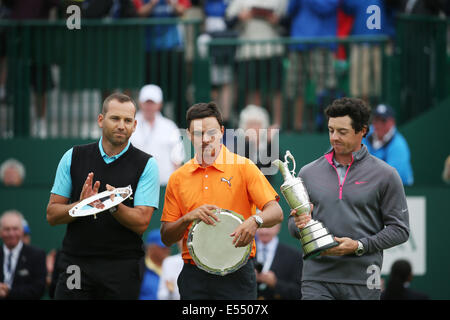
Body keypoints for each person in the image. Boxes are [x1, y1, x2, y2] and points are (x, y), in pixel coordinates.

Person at [288, 97, 410, 300]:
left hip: (363, 279)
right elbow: (293, 226)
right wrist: (300, 224)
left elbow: (400, 230)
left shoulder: (386, 175)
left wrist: (360, 246)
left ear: (363, 131)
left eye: (342, 132)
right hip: (316, 279)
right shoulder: (307, 173)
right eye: (331, 130)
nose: (334, 137)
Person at [160, 101, 283, 299]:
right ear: (189, 136)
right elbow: (166, 237)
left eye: (211, 132)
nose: (206, 139)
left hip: (238, 274)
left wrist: (255, 220)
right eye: (198, 133)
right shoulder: (178, 178)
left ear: (222, 132)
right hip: (194, 275)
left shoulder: (244, 167)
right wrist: (186, 218)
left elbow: (276, 212)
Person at [46, 92, 160, 300]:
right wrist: (82, 205)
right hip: (76, 264)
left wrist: (111, 204)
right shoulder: (73, 156)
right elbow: (52, 214)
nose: (121, 125)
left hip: (122, 267)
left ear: (135, 125)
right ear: (101, 120)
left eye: (127, 121)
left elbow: (142, 221)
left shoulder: (146, 164)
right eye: (115, 118)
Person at [226, 0, 288, 128]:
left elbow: (288, 21)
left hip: (273, 50)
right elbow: (229, 22)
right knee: (253, 91)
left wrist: (277, 20)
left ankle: (277, 125)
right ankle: (254, 126)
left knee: (276, 89)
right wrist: (240, 17)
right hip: (248, 52)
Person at [286, 0, 338, 131]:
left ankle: (326, 126)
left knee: (325, 87)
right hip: (299, 41)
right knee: (295, 87)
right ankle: (296, 127)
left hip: (322, 43)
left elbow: (326, 7)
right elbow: (290, 10)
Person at [130, 84, 185, 186]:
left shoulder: (170, 126)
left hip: (164, 186)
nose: (149, 107)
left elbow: (177, 159)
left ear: (160, 104)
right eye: (146, 103)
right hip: (134, 186)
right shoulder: (129, 124)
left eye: (152, 103)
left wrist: (176, 185)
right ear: (140, 103)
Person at [363, 103, 414, 186]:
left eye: (383, 121)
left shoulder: (399, 145)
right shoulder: (365, 134)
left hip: (402, 190)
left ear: (392, 122)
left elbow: (390, 177)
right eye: (376, 120)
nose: (378, 124)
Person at [0, 210, 46, 300]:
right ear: (1, 232)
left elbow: (38, 289)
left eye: (15, 229)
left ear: (22, 231)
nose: (11, 233)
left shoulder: (36, 255)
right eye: (7, 229)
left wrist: (8, 291)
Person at [255, 223, 302, 300]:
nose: (264, 231)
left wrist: (275, 283)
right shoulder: (244, 254)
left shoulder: (294, 256)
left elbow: (299, 292)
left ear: (278, 228)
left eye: (269, 227)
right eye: (260, 227)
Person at [139, 229, 171, 300]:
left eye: (168, 246)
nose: (167, 249)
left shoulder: (173, 267)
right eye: (162, 247)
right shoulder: (139, 267)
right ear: (150, 247)